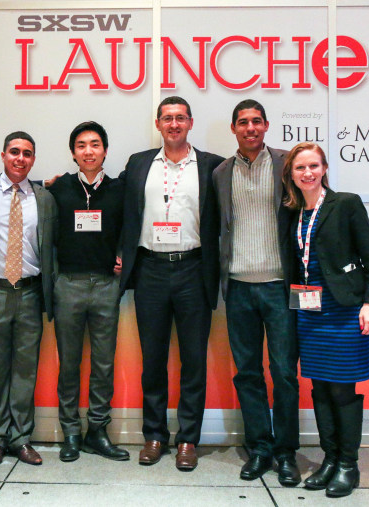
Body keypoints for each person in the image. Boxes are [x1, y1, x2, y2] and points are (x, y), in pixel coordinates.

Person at [119, 96, 224, 470]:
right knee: (154, 359)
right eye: (167, 118)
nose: (174, 124)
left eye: (180, 118)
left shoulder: (212, 166)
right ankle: (154, 435)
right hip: (150, 270)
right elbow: (121, 208)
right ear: (158, 124)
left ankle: (188, 440)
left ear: (191, 123)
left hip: (194, 270)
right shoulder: (139, 163)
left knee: (194, 359)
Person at [282, 142, 369, 498]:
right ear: (291, 174)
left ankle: (348, 465)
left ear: (324, 168)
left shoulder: (346, 204)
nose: (307, 173)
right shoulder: (292, 210)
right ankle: (329, 459)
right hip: (309, 312)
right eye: (300, 168)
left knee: (342, 388)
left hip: (343, 309)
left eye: (313, 166)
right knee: (320, 387)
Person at [211, 100, 300, 484]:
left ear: (266, 126)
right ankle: (260, 447)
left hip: (280, 287)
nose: (250, 128)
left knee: (283, 373)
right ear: (233, 129)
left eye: (256, 121)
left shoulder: (287, 163)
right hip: (239, 288)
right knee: (247, 373)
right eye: (243, 122)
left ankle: (286, 453)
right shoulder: (220, 173)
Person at [0, 132, 58, 468]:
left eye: (27, 154)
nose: (20, 158)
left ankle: (21, 438)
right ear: (3, 155)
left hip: (31, 292)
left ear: (33, 159)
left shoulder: (44, 197)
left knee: (25, 369)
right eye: (15, 152)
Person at [47, 121, 128, 462]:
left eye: (95, 144)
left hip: (106, 287)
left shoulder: (119, 189)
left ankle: (97, 430)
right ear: (73, 153)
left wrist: (123, 254)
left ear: (105, 150)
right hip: (68, 285)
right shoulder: (58, 188)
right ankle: (70, 433)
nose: (89, 151)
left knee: (104, 364)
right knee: (69, 364)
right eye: (81, 145)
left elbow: (132, 225)